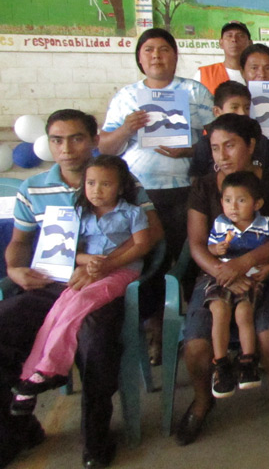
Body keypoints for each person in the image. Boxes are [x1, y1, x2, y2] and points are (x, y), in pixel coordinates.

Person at [1, 109, 162, 468]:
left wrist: (105, 264)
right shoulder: (34, 187)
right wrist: (14, 269)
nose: (67, 148)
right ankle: (17, 429)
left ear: (93, 140)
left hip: (102, 284)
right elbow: (20, 242)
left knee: (95, 342)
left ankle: (96, 438)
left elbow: (150, 237)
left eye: (76, 138)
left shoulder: (124, 183)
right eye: (57, 140)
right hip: (49, 284)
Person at [179, 113, 269, 446]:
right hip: (216, 273)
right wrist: (222, 272)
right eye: (215, 148)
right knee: (196, 342)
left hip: (265, 271)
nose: (222, 155)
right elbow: (197, 243)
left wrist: (246, 263)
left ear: (250, 145)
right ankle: (203, 401)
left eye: (230, 146)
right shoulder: (203, 186)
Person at [11, 155, 153, 416]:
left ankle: (52, 368)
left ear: (121, 187)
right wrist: (88, 260)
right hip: (88, 271)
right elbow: (70, 249)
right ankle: (31, 375)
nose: (96, 191)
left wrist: (107, 264)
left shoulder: (132, 212)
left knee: (78, 305)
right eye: (91, 183)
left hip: (121, 272)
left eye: (105, 184)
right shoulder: (79, 213)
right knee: (56, 312)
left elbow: (142, 244)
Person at [99, 28, 214, 267]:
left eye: (164, 50)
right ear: (139, 58)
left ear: (175, 55)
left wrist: (189, 150)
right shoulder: (127, 96)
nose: (156, 56)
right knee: (148, 256)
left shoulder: (195, 91)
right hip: (139, 190)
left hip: (186, 187)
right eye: (148, 50)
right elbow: (105, 149)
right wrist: (125, 130)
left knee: (187, 253)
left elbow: (220, 139)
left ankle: (186, 298)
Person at [205, 171, 269, 398]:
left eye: (241, 200)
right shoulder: (221, 224)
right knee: (219, 310)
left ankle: (248, 361)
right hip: (223, 277)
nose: (233, 207)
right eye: (227, 200)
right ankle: (221, 364)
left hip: (252, 278)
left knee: (244, 312)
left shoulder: (266, 224)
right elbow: (210, 249)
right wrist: (217, 250)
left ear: (257, 203)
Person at [188, 81, 269, 178]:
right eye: (234, 107)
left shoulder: (261, 141)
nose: (242, 113)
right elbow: (196, 176)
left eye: (246, 108)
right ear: (217, 111)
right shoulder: (205, 142)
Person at [194, 21, 252, 94]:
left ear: (250, 43)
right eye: (229, 36)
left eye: (240, 36)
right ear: (221, 43)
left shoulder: (260, 74)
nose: (234, 39)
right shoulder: (204, 74)